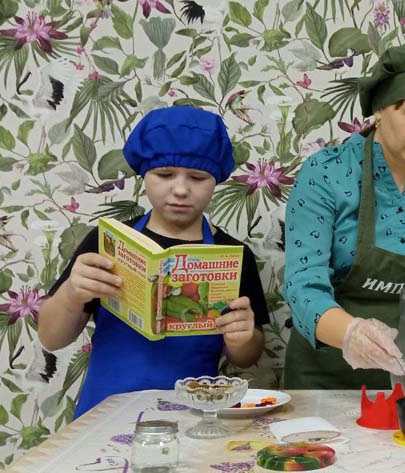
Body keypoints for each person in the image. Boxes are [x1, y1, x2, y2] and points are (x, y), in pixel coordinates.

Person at [38, 106, 271, 417]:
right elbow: (51, 338)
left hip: (192, 412)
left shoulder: (234, 254)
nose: (180, 189)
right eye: (164, 175)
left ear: (215, 180)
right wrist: (71, 293)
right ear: (144, 174)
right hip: (105, 408)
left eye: (198, 177)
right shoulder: (107, 241)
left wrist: (243, 338)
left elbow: (246, 357)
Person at [282, 37, 405, 389]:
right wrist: (352, 333)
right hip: (327, 380)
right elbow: (303, 286)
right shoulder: (326, 174)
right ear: (381, 108)